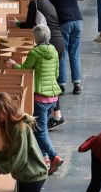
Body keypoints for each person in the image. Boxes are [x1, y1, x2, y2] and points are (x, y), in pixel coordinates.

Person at [6, 24, 63, 175]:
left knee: (40, 131)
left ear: (36, 38)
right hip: (53, 98)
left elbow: (25, 69)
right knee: (41, 129)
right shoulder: (54, 51)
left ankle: (53, 156)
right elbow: (57, 73)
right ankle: (45, 159)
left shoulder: (35, 52)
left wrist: (13, 65)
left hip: (40, 98)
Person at [15, 0, 66, 131]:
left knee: (48, 79)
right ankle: (56, 115)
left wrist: (17, 24)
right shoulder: (48, 2)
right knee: (52, 78)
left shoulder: (34, 3)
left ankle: (55, 116)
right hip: (59, 40)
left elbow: (30, 24)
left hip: (50, 40)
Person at [42, 0, 87, 95]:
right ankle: (77, 84)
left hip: (63, 21)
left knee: (62, 53)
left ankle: (61, 85)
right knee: (75, 54)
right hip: (77, 20)